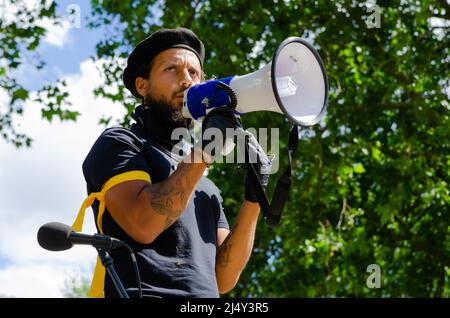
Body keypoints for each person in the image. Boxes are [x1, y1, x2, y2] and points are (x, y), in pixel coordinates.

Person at [75, 27, 270, 298]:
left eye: (194, 73)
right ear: (142, 86)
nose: (187, 80)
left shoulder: (204, 185)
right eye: (172, 70)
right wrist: (204, 152)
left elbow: (222, 279)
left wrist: (254, 198)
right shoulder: (121, 143)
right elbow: (144, 225)